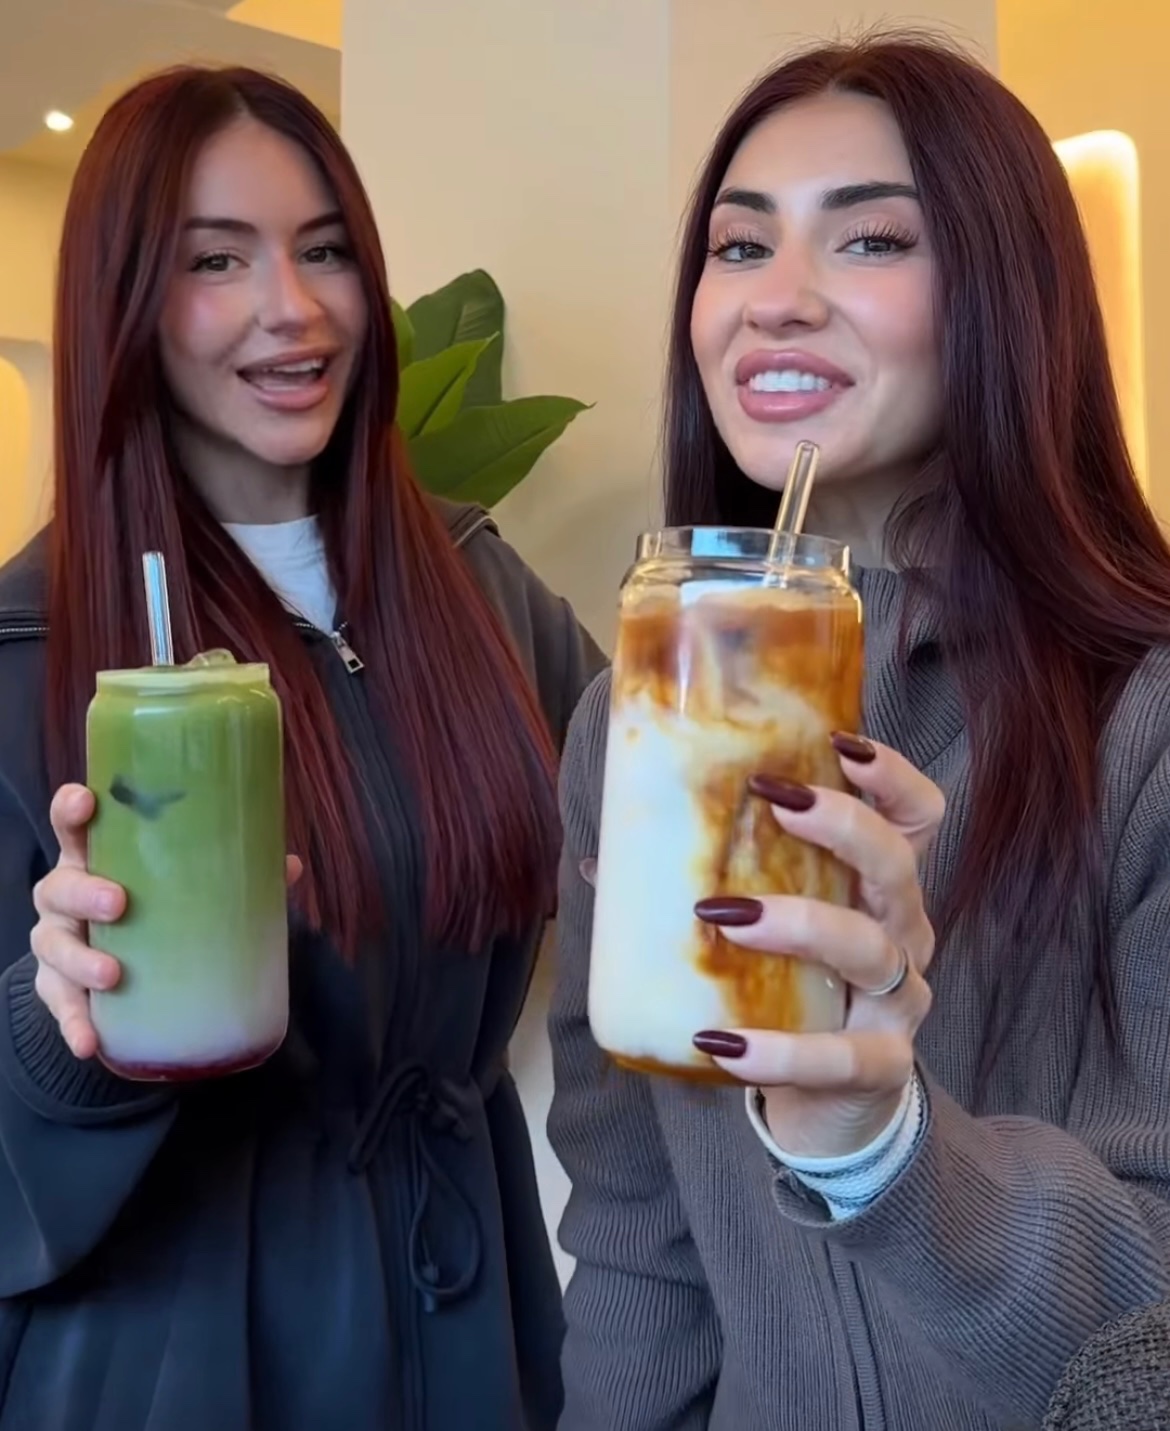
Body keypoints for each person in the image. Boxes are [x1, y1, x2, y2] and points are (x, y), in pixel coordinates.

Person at [549, 32, 1170, 1431]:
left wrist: (886, 1152)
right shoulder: (631, 723)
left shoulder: (1144, 717)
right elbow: (636, 1236)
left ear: (1007, 294)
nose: (775, 301)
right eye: (738, 247)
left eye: (872, 240)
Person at [0, 66, 604, 1431]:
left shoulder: (478, 586)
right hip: (175, 1362)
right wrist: (57, 1021)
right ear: (124, 303)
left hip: (477, 1322)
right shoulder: (29, 652)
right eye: (217, 260)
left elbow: (654, 847)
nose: (295, 307)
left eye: (324, 248)